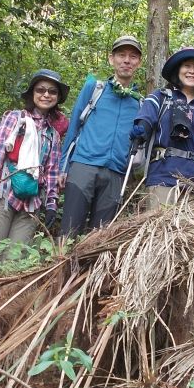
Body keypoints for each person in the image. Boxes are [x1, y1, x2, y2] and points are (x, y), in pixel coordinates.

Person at [58, 35, 144, 237]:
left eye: (132, 56)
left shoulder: (140, 102)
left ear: (139, 63)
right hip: (83, 165)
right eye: (121, 55)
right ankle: (59, 268)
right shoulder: (95, 89)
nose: (126, 60)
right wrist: (63, 166)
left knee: (100, 238)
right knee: (68, 231)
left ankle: (91, 270)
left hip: (116, 173)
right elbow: (74, 129)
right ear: (111, 59)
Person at [0, 69, 66, 260]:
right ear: (32, 93)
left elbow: (51, 172)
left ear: (58, 98)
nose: (46, 95)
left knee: (14, 260)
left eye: (52, 91)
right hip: (3, 192)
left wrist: (51, 204)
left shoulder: (53, 135)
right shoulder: (15, 118)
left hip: (31, 202)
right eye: (40, 90)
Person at [131, 47, 194, 210]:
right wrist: (141, 130)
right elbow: (146, 119)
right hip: (163, 177)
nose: (192, 71)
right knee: (160, 232)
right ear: (178, 70)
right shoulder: (160, 97)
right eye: (187, 66)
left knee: (193, 234)